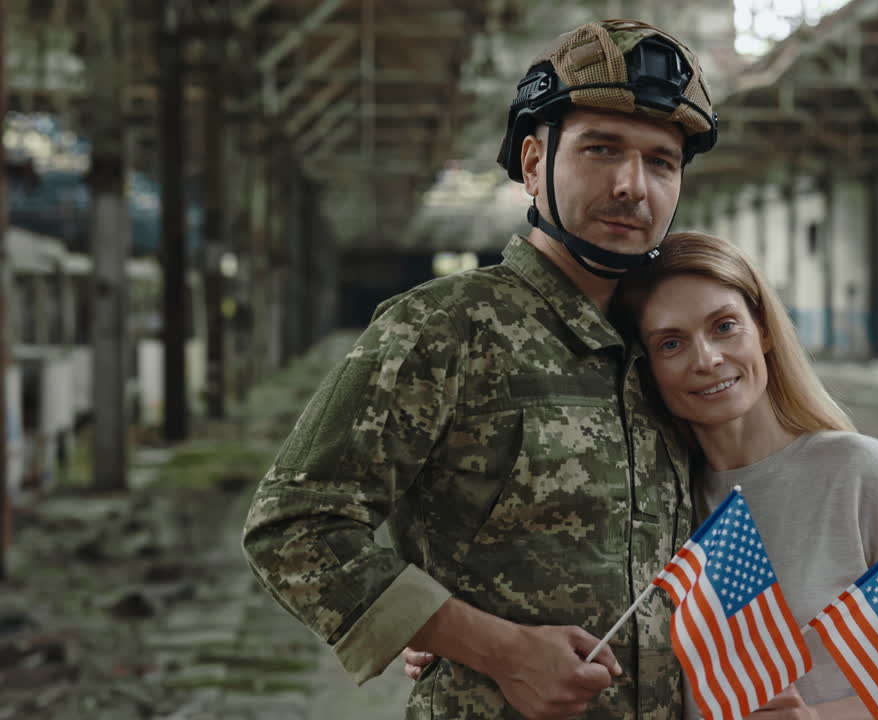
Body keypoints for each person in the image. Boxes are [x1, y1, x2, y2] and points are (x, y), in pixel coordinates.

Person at [243, 19, 719, 720]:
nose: (631, 185)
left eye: (661, 162)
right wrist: (496, 647)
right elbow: (294, 527)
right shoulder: (444, 328)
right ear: (533, 163)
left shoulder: (668, 341)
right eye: (601, 150)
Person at [408, 232, 878, 718]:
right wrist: (466, 644)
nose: (707, 358)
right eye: (671, 343)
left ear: (762, 328)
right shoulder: (652, 496)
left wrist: (821, 718)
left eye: (724, 326)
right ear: (645, 367)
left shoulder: (861, 472)